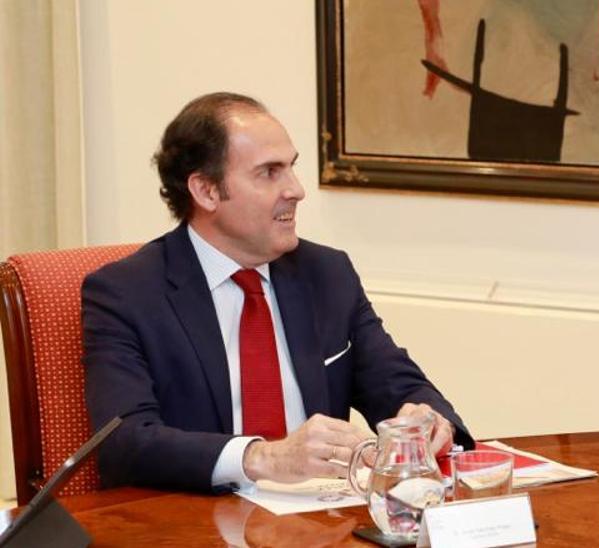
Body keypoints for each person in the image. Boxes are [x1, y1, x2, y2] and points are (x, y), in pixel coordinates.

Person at [83, 92, 474, 493]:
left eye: (291, 168)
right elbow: (124, 443)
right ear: (206, 191)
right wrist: (263, 458)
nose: (296, 190)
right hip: (199, 520)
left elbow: (399, 385)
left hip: (323, 521)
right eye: (270, 172)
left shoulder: (326, 274)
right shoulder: (127, 293)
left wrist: (429, 422)